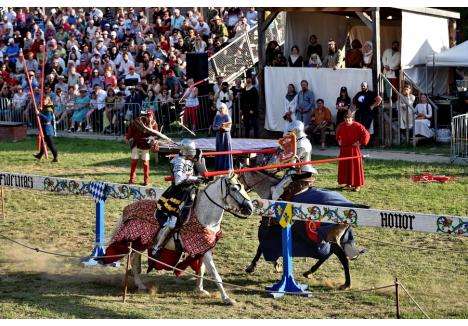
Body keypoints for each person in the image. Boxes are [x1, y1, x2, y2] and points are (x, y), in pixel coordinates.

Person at [152, 139, 206, 256]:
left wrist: (199, 160)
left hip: (191, 192)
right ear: (186, 151)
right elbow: (178, 181)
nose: (193, 153)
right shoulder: (178, 161)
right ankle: (157, 247)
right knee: (172, 223)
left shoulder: (190, 159)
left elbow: (204, 174)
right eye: (191, 151)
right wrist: (195, 179)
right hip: (177, 195)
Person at [270, 120, 318, 201]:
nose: (290, 134)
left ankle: (277, 202)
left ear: (296, 131)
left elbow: (293, 160)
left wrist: (282, 164)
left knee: (278, 188)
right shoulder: (298, 141)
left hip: (301, 171)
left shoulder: (302, 143)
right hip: (297, 169)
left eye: (291, 131)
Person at [335, 110, 370, 192]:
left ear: (352, 118)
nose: (347, 120)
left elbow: (366, 134)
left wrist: (359, 142)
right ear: (344, 119)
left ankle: (357, 185)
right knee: (346, 166)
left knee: (355, 167)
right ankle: (348, 183)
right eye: (346, 118)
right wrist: (339, 140)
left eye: (349, 118)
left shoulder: (357, 125)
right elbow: (338, 134)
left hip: (353, 149)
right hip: (344, 149)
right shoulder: (341, 125)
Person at [125, 110, 159, 186]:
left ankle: (146, 180)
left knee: (145, 163)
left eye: (149, 116)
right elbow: (131, 129)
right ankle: (132, 178)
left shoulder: (154, 123)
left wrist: (155, 142)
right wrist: (127, 137)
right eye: (147, 116)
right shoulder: (138, 121)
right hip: (136, 143)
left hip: (146, 145)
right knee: (134, 162)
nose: (148, 117)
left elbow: (156, 134)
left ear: (152, 116)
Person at [33, 95, 58, 162]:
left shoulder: (48, 109)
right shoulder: (44, 108)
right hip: (43, 128)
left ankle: (55, 157)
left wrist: (39, 114)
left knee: (50, 144)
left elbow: (47, 119)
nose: (43, 101)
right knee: (43, 143)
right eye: (43, 100)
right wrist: (40, 111)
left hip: (47, 129)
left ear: (48, 101)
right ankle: (40, 155)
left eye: (45, 100)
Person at [213, 103, 233, 171]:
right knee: (219, 151)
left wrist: (223, 128)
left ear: (225, 109)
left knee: (226, 151)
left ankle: (227, 168)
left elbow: (229, 128)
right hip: (219, 137)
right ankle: (219, 167)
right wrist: (218, 128)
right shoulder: (216, 117)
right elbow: (213, 128)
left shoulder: (227, 117)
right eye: (220, 108)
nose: (221, 109)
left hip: (225, 137)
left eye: (223, 108)